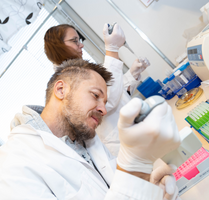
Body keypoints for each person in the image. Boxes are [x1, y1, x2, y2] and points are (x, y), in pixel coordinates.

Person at [0, 59, 181, 200]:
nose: (103, 108)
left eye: (105, 101)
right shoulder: (11, 168)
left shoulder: (83, 139)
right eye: (95, 95)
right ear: (61, 90)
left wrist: (146, 189)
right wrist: (132, 171)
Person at [44, 24, 150, 156]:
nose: (81, 45)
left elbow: (116, 95)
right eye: (74, 41)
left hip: (134, 131)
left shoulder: (83, 69)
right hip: (122, 142)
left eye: (79, 40)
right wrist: (112, 50)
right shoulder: (68, 80)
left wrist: (131, 76)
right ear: (58, 46)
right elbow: (107, 101)